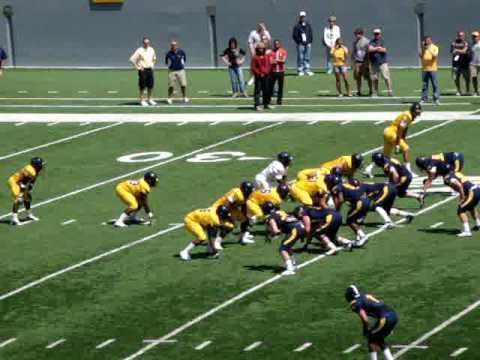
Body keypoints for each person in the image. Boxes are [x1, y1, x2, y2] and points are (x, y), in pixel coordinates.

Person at [364, 103, 422, 177]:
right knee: (406, 149)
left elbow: (405, 128)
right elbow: (401, 129)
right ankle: (408, 172)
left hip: (388, 132)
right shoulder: (407, 116)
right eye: (416, 111)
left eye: (418, 111)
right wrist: (397, 144)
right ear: (412, 110)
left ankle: (368, 168)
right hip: (392, 133)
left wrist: (403, 139)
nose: (418, 112)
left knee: (385, 157)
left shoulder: (409, 115)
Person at [345, 285, 398, 360]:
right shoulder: (366, 296)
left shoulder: (356, 304)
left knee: (371, 338)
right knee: (377, 338)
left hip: (385, 318)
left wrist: (365, 330)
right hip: (393, 315)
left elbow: (365, 319)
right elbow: (378, 308)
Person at [262, 202, 305, 275]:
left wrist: (271, 235)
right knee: (287, 246)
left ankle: (290, 268)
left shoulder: (271, 217)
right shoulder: (280, 211)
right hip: (299, 226)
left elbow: (276, 231)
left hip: (295, 229)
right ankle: (293, 263)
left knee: (283, 249)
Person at [210, 181, 255, 246]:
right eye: (250, 191)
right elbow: (227, 204)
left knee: (245, 220)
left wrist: (245, 215)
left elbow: (243, 205)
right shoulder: (236, 192)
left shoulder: (245, 195)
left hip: (231, 208)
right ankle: (217, 242)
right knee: (230, 226)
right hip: (220, 208)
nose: (251, 192)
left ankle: (242, 238)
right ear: (245, 190)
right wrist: (230, 218)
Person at [8, 157, 45, 225]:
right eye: (40, 164)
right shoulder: (30, 171)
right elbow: (23, 183)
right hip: (14, 182)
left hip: (21, 182)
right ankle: (14, 219)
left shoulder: (36, 171)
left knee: (28, 197)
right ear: (36, 165)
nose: (42, 165)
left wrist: (28, 190)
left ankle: (29, 215)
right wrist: (21, 193)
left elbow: (32, 181)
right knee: (19, 199)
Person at [444, 172, 480, 237]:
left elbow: (460, 186)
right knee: (471, 207)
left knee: (461, 210)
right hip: (477, 189)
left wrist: (462, 198)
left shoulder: (449, 178)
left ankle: (467, 231)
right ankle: (478, 224)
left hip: (472, 192)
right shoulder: (455, 174)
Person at [129, 37, 157, 107]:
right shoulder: (139, 50)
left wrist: (153, 65)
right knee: (142, 86)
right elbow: (132, 59)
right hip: (143, 70)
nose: (146, 44)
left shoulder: (151, 49)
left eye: (147, 43)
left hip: (150, 69)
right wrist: (138, 67)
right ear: (143, 43)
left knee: (151, 85)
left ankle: (150, 99)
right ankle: (142, 100)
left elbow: (154, 58)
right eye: (145, 43)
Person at [368, 29, 393, 97]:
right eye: (375, 34)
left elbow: (384, 50)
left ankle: (390, 91)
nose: (376, 35)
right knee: (374, 78)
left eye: (378, 34)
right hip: (374, 63)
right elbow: (370, 49)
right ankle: (375, 92)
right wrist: (377, 48)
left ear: (380, 34)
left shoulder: (382, 41)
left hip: (382, 63)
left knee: (386, 77)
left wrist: (375, 48)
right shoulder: (371, 41)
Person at [251, 42, 273, 111]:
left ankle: (266, 104)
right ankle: (257, 105)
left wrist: (266, 72)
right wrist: (260, 73)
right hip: (258, 77)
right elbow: (253, 67)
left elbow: (268, 65)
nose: (261, 49)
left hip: (266, 76)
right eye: (259, 48)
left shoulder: (266, 56)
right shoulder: (255, 57)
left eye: (262, 48)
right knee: (257, 90)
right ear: (257, 49)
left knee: (266, 90)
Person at [292, 11, 314, 76]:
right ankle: (300, 70)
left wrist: (309, 42)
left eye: (304, 17)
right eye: (301, 17)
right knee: (300, 57)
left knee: (307, 57)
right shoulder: (297, 26)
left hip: (308, 44)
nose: (303, 18)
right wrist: (299, 42)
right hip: (300, 44)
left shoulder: (308, 25)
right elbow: (294, 36)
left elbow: (310, 34)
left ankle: (307, 70)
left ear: (305, 17)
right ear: (299, 17)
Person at [420, 36, 440, 105]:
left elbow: (435, 56)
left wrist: (429, 49)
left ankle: (436, 99)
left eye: (428, 40)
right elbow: (421, 56)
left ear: (431, 40)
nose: (427, 41)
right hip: (425, 69)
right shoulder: (423, 48)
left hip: (433, 69)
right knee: (424, 85)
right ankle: (424, 99)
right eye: (426, 40)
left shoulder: (435, 47)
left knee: (435, 84)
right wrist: (423, 49)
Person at [352, 28, 372, 96]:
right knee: (358, 77)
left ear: (361, 34)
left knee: (368, 77)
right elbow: (354, 52)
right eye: (355, 34)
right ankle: (359, 91)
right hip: (357, 62)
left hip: (365, 62)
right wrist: (353, 62)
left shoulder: (367, 41)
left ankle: (371, 91)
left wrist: (367, 63)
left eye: (357, 34)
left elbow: (369, 52)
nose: (356, 36)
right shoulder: (355, 42)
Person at [451, 31, 471, 96]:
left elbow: (464, 51)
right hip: (456, 63)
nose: (461, 37)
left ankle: (467, 90)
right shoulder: (454, 43)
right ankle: (459, 90)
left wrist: (457, 50)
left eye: (462, 35)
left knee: (466, 77)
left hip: (464, 63)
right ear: (457, 36)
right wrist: (460, 51)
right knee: (456, 78)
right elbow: (453, 52)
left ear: (464, 36)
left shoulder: (466, 43)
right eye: (460, 35)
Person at [271, 40, 288, 105]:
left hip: (281, 71)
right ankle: (268, 99)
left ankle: (279, 101)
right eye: (275, 44)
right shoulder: (272, 52)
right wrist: (278, 61)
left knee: (280, 87)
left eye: (277, 44)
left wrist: (276, 60)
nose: (276, 45)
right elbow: (271, 61)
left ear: (280, 44)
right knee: (271, 86)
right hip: (273, 71)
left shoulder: (283, 51)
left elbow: (283, 61)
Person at [470, 31, 480, 96]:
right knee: (474, 78)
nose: (474, 37)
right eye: (473, 36)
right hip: (473, 64)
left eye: (475, 36)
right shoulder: (471, 44)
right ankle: (476, 91)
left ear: (478, 37)